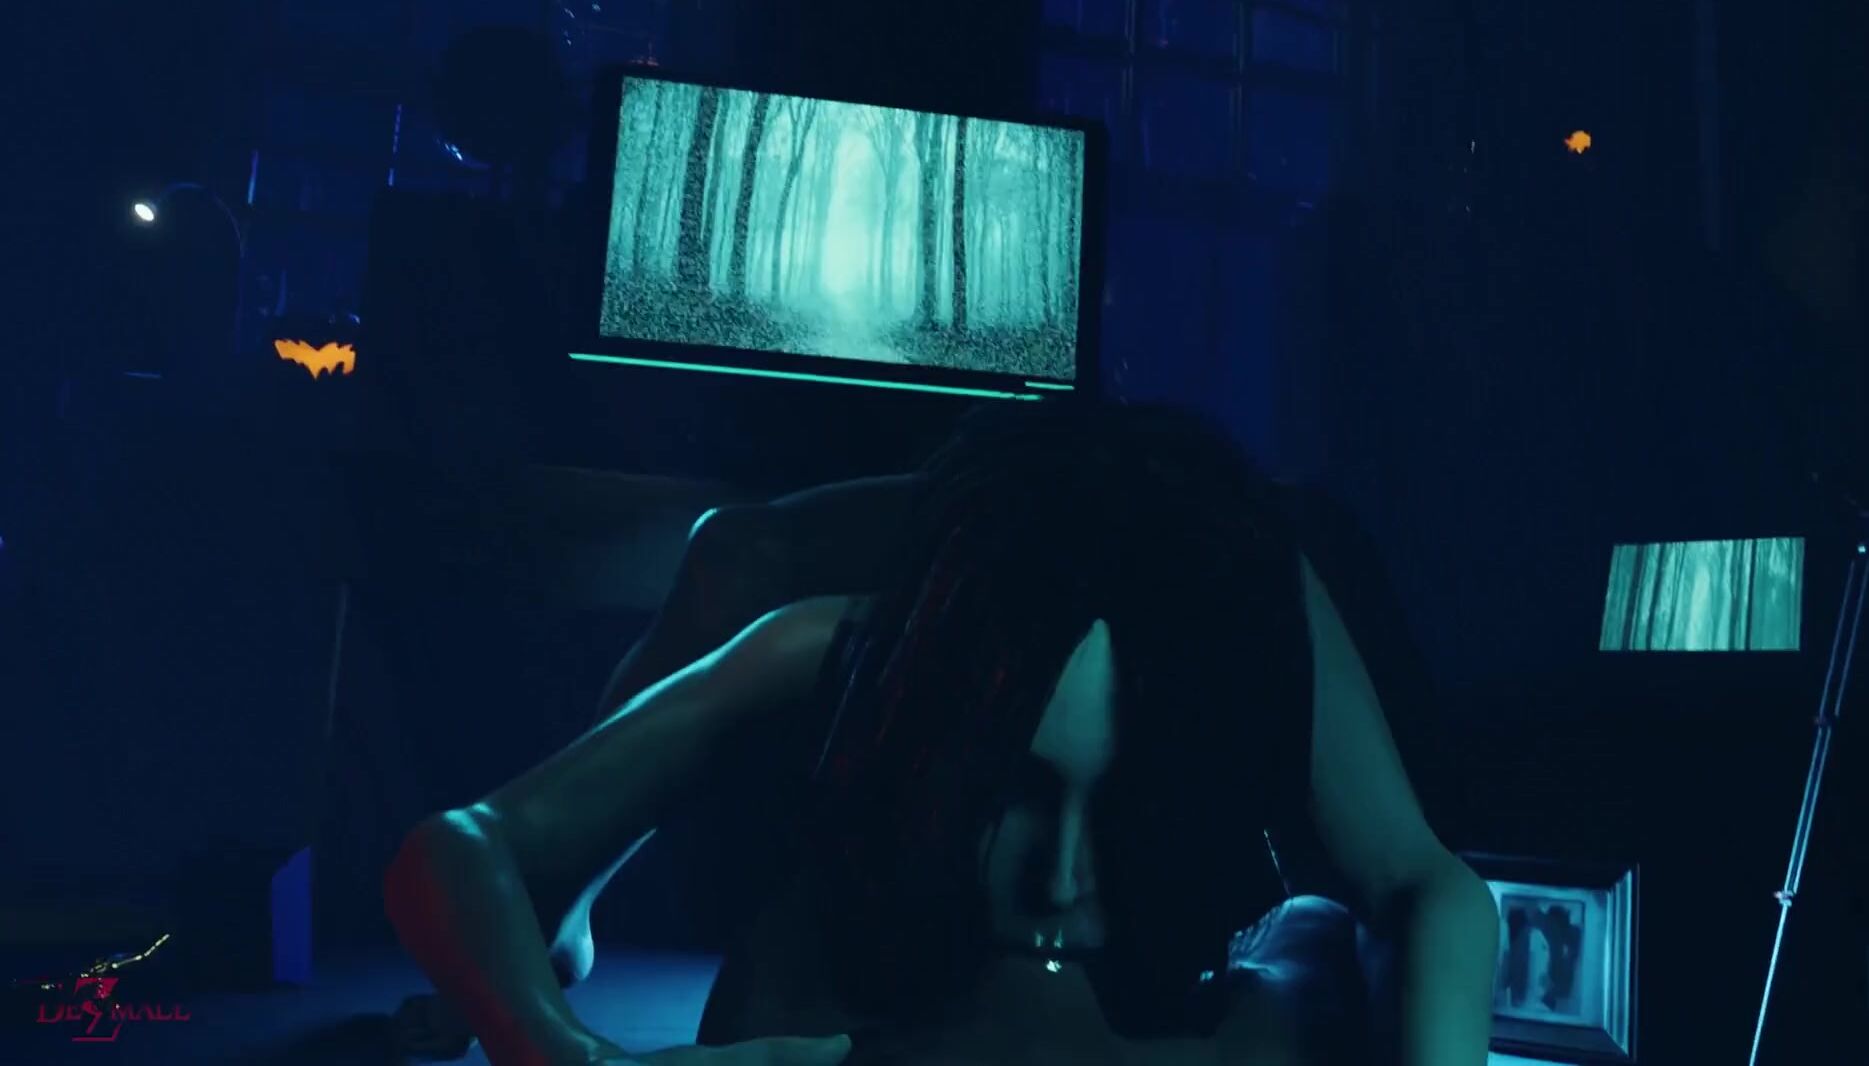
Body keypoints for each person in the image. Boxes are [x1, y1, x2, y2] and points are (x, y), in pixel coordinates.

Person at [383, 400, 1500, 1066]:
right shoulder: (825, 634)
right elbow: (458, 847)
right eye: (1016, 792)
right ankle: (571, 916)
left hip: (1183, 533)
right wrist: (556, 1043)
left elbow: (1425, 886)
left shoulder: (1257, 607)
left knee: (1318, 930)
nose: (1059, 879)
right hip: (896, 557)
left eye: (1117, 808)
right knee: (733, 557)